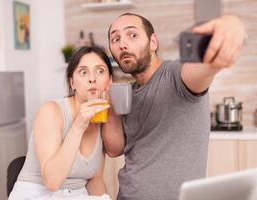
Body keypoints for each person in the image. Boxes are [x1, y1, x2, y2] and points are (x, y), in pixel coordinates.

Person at [101, 13, 246, 200]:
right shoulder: (127, 93)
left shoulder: (177, 75)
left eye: (132, 35)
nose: (122, 44)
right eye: (115, 38)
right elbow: (114, 150)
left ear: (153, 42)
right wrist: (109, 100)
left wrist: (231, 25)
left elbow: (203, 66)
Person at [9, 46, 123, 200]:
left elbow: (95, 182)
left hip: (76, 195)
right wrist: (78, 126)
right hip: (37, 194)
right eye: (83, 72)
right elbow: (52, 182)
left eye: (100, 71)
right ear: (72, 83)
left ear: (109, 81)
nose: (92, 78)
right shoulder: (51, 111)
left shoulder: (101, 119)